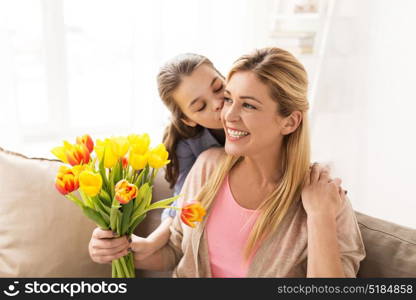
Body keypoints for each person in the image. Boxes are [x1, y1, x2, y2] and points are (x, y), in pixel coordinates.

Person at [90, 47, 366, 277]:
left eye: (248, 105)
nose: (227, 114)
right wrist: (121, 250)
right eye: (230, 98)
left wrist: (319, 218)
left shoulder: (325, 200)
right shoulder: (207, 166)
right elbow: (177, 250)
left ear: (290, 121)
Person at [88, 53, 226, 263]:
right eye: (200, 107)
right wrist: (152, 242)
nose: (218, 103)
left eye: (218, 87)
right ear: (188, 120)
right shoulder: (190, 143)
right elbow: (184, 196)